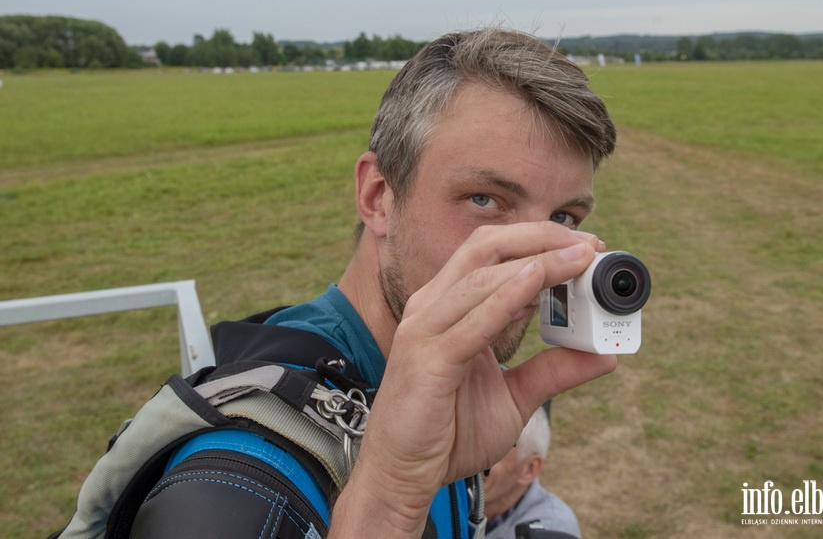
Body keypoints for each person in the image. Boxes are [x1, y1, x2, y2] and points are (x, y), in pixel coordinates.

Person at [133, 27, 620, 538]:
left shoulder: (460, 388)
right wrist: (390, 496)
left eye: (563, 217)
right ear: (378, 197)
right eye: (484, 199)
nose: (535, 256)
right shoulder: (246, 467)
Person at [484, 405, 581, 538]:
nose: (473, 464)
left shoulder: (552, 527)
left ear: (529, 469)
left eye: (494, 454)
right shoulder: (454, 497)